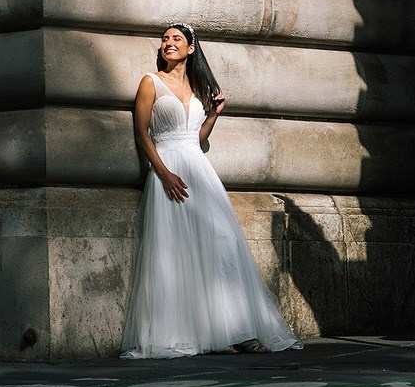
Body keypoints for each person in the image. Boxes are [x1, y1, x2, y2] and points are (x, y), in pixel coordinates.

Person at [120, 23, 301, 358]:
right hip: (169, 172)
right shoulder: (151, 82)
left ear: (191, 48)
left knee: (222, 243)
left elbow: (199, 140)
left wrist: (213, 116)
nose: (168, 43)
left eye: (176, 39)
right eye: (164, 39)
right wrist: (163, 173)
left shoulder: (198, 86)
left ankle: (236, 329)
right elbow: (142, 133)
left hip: (200, 173)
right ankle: (203, 335)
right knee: (176, 253)